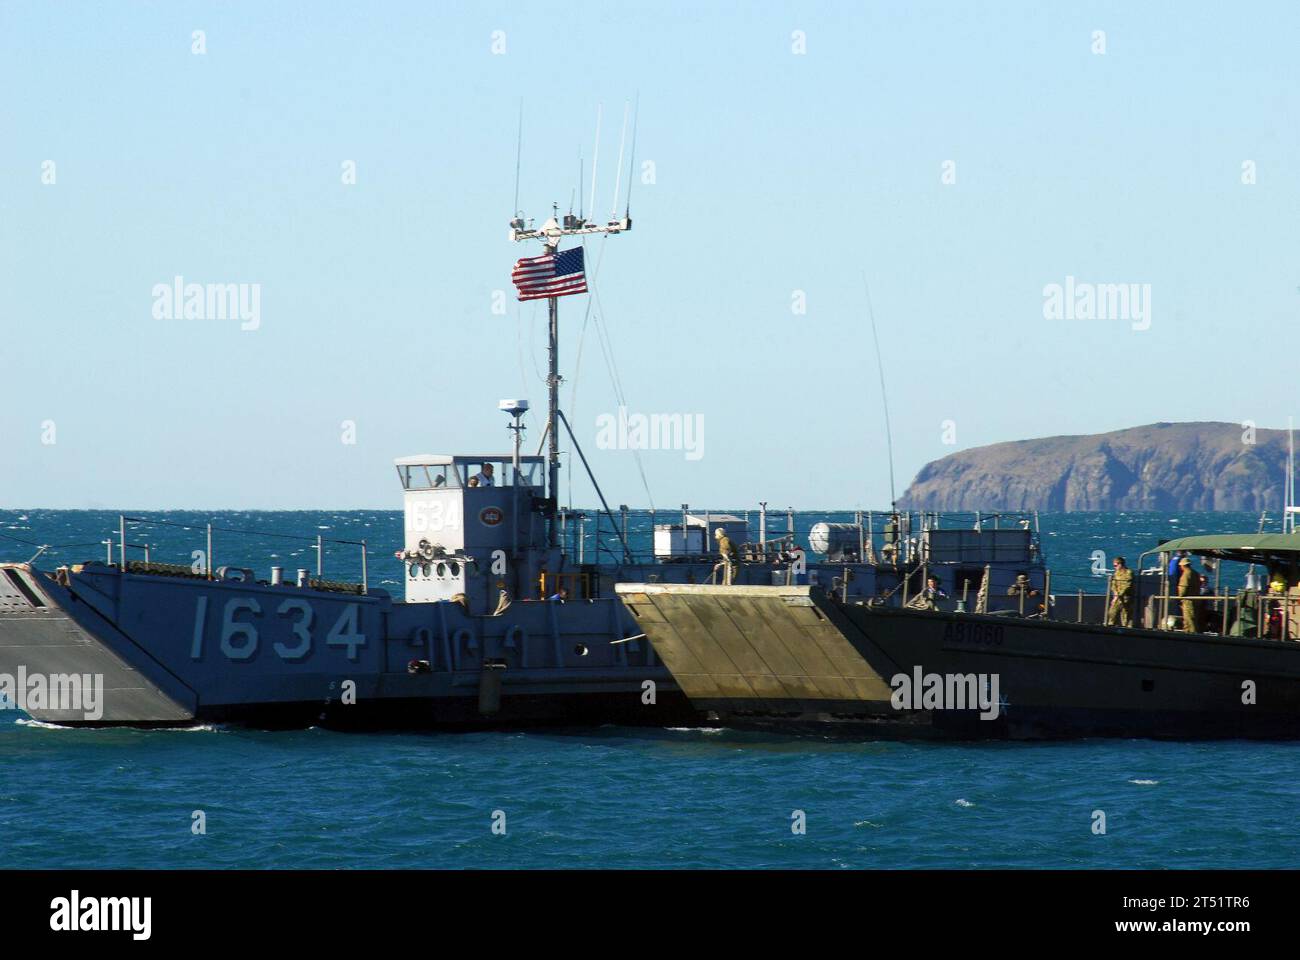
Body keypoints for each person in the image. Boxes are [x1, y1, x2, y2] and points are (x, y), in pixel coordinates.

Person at [1106, 556, 1134, 627]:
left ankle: (1127, 628)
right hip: (1117, 596)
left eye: (1115, 565)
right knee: (1112, 612)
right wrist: (1115, 593)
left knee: (1126, 615)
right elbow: (1113, 584)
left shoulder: (1129, 572)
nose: (1114, 567)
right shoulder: (1116, 573)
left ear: (1120, 564)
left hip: (1126, 597)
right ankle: (1111, 625)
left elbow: (1127, 585)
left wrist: (1118, 595)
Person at [1176, 556, 1201, 633]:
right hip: (1196, 599)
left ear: (1183, 566)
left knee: (1189, 620)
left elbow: (1183, 589)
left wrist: (1179, 597)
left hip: (1188, 601)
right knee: (1193, 619)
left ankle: (1192, 635)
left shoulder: (1186, 574)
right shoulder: (1196, 573)